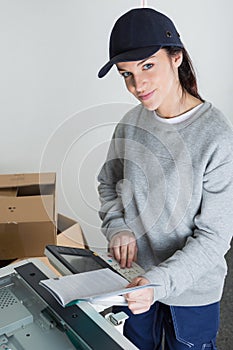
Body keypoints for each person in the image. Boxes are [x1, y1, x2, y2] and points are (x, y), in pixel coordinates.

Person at [97, 7, 233, 350]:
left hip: (191, 292)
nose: (137, 85)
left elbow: (215, 238)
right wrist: (118, 228)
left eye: (147, 66)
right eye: (126, 74)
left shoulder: (216, 137)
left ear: (176, 57)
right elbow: (108, 184)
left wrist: (157, 283)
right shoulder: (130, 124)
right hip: (131, 281)